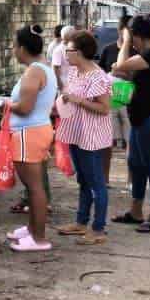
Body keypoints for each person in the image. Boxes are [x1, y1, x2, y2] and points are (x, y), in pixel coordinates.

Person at [111, 14, 150, 233]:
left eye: (131, 36)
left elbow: (121, 65)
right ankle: (136, 211)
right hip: (140, 118)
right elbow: (125, 72)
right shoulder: (148, 55)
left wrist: (125, 41)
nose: (130, 41)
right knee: (136, 164)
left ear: (137, 35)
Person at [53, 30, 113, 245]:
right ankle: (81, 222)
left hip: (92, 136)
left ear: (78, 52)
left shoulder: (98, 76)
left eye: (68, 50)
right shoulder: (73, 73)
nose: (65, 54)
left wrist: (79, 100)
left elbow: (105, 108)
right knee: (83, 179)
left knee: (96, 182)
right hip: (76, 131)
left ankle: (98, 228)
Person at [4, 25, 59, 252]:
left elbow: (25, 107)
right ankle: (33, 229)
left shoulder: (34, 71)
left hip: (29, 132)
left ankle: (39, 238)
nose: (13, 50)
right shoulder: (42, 68)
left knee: (35, 188)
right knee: (33, 186)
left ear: (23, 48)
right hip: (35, 130)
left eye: (15, 46)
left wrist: (6, 104)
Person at [99, 13, 132, 185]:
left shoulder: (136, 51)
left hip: (129, 97)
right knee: (107, 141)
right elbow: (99, 73)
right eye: (127, 30)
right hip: (110, 97)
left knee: (130, 140)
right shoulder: (108, 49)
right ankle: (105, 178)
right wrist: (112, 74)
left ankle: (130, 180)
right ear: (120, 30)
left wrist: (125, 75)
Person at [51, 25, 76, 92]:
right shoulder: (58, 50)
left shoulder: (73, 47)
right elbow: (55, 68)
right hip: (64, 83)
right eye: (74, 34)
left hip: (74, 82)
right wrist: (59, 83)